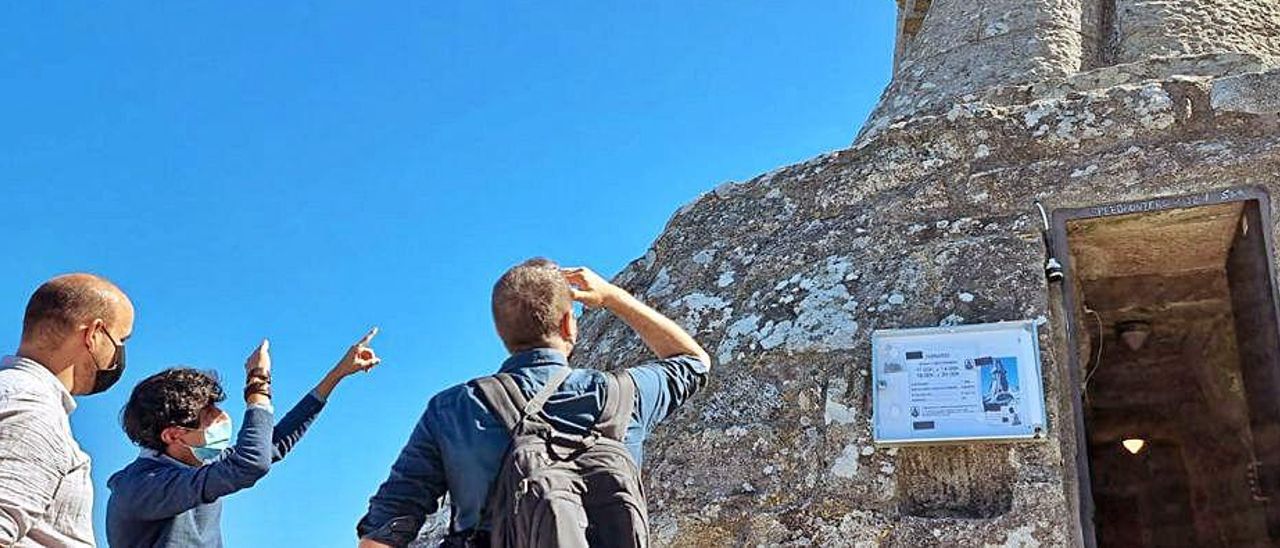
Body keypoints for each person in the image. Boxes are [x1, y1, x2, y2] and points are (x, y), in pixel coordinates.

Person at [356, 259, 711, 547]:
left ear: (501, 333)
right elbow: (694, 361)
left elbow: (383, 534)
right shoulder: (621, 396)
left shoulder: (454, 409)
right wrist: (613, 297)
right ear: (569, 324)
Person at [106, 328, 383, 547]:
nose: (223, 420)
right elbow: (251, 463)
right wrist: (258, 384)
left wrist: (336, 375)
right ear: (173, 434)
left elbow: (270, 446)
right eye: (209, 416)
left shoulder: (196, 464)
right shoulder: (142, 487)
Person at [0, 273, 135, 547]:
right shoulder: (34, 407)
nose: (119, 354)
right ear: (94, 335)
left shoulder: (15, 393)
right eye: (121, 340)